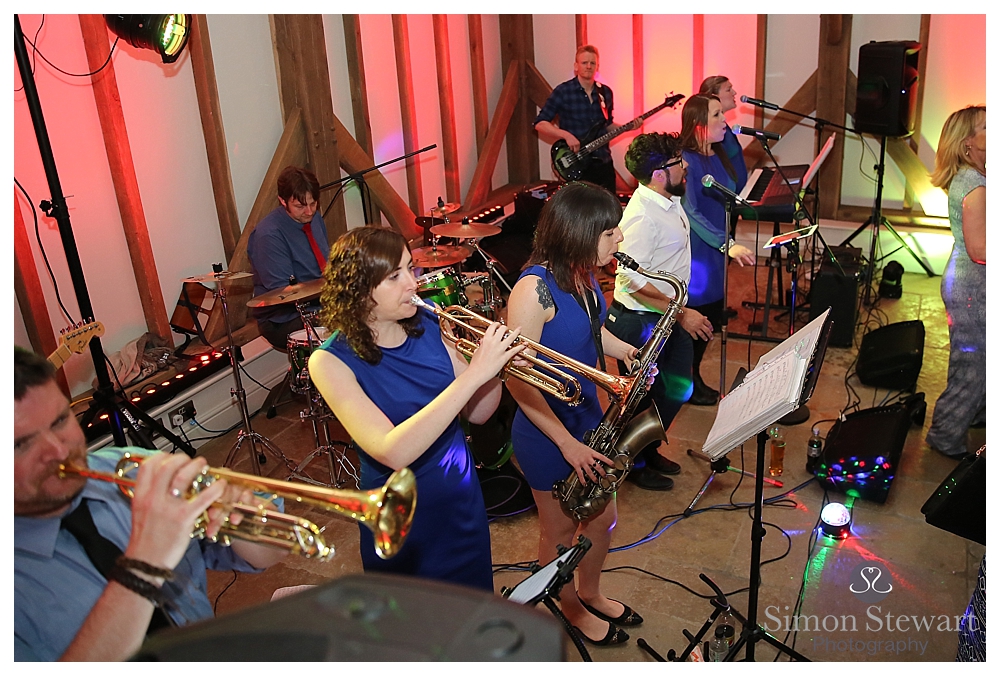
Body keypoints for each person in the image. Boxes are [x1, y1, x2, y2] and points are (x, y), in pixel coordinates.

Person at [14, 347, 286, 661]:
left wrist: (243, 521)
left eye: (60, 421)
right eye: (20, 443)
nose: (58, 452)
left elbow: (268, 554)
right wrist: (144, 563)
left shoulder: (129, 467)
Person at [308, 226, 524, 592]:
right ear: (360, 291)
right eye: (395, 276)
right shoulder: (329, 362)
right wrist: (474, 376)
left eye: (411, 268)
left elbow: (480, 414)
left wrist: (497, 368)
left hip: (460, 502)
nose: (413, 282)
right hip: (401, 518)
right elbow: (393, 450)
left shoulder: (432, 320)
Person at [506, 182, 643, 647]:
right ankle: (566, 609)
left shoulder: (580, 274)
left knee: (602, 519)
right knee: (560, 530)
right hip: (549, 435)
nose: (619, 239)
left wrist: (623, 349)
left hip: (589, 420)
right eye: (611, 232)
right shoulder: (532, 291)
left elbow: (589, 330)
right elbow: (517, 380)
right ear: (582, 233)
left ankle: (591, 592)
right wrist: (566, 443)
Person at [605, 132, 715, 492]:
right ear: (658, 174)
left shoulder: (668, 200)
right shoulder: (641, 216)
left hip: (666, 316)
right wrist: (683, 314)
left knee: (678, 389)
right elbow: (631, 280)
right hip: (639, 321)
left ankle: (646, 448)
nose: (685, 167)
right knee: (642, 398)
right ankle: (631, 463)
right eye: (677, 163)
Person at [679, 94, 756, 406]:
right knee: (696, 319)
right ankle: (687, 381)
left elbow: (739, 183)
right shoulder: (687, 160)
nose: (725, 119)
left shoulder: (720, 152)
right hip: (700, 248)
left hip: (718, 246)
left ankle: (692, 377)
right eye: (717, 115)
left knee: (711, 315)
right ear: (699, 124)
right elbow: (690, 210)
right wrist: (726, 243)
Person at [925, 105, 986, 458]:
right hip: (971, 290)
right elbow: (980, 249)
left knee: (976, 361)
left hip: (970, 284)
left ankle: (973, 414)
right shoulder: (974, 185)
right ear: (968, 145)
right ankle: (945, 437)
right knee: (972, 367)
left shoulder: (974, 177)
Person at [247, 165, 330, 350]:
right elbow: (284, 293)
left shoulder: (313, 217)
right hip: (283, 318)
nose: (309, 211)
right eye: (300, 206)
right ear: (283, 201)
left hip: (320, 301)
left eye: (313, 203)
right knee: (349, 326)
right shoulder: (269, 235)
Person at [535, 45, 621, 193]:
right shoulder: (563, 91)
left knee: (610, 209)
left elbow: (607, 125)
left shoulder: (605, 92)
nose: (589, 66)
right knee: (580, 213)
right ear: (576, 66)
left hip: (603, 162)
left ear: (597, 66)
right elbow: (540, 123)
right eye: (584, 63)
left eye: (592, 63)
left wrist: (629, 126)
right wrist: (566, 135)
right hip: (576, 163)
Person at [699, 75, 750, 239]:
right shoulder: (712, 135)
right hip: (720, 203)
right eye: (728, 89)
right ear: (712, 95)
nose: (734, 92)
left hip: (731, 200)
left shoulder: (724, 128)